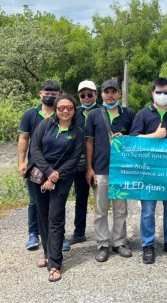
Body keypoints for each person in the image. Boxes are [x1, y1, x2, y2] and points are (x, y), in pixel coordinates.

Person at [129, 77, 167, 264]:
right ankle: (148, 245)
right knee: (148, 211)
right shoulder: (143, 114)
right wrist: (154, 136)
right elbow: (133, 140)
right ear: (152, 93)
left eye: (166, 92)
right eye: (159, 92)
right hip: (148, 171)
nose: (163, 95)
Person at [31, 94, 84, 282]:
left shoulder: (77, 132)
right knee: (42, 215)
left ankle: (55, 263)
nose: (65, 111)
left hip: (62, 178)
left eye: (69, 107)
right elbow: (34, 149)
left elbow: (74, 158)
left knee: (55, 218)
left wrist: (56, 175)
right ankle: (47, 254)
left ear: (74, 109)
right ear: (56, 108)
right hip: (41, 175)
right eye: (61, 107)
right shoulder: (45, 125)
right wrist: (48, 172)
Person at [85, 79, 136, 262]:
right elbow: (89, 142)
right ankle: (102, 244)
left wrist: (126, 137)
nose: (110, 95)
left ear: (119, 94)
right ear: (101, 94)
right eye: (107, 92)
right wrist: (89, 168)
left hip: (122, 170)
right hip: (100, 168)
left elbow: (137, 138)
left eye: (114, 91)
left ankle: (120, 242)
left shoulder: (129, 114)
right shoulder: (94, 115)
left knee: (121, 208)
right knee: (101, 209)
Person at [17, 80, 61, 250]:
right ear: (40, 94)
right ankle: (33, 233)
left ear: (59, 95)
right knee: (35, 201)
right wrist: (21, 162)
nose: (50, 97)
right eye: (47, 94)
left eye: (54, 95)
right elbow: (23, 139)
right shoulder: (30, 114)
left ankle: (57, 234)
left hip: (56, 166)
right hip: (34, 166)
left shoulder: (63, 114)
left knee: (55, 202)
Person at [67, 80, 99, 245]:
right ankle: (79, 233)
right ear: (78, 97)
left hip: (100, 164)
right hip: (79, 164)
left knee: (104, 201)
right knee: (81, 198)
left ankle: (108, 236)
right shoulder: (74, 113)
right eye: (83, 95)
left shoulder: (103, 112)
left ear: (96, 95)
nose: (86, 98)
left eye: (90, 94)